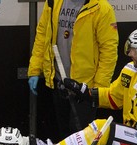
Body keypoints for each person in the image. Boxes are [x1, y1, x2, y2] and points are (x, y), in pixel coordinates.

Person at [27, 0, 118, 136]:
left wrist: (98, 90)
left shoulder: (101, 8)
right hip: (59, 82)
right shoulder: (53, 2)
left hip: (85, 88)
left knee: (81, 139)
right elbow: (42, 35)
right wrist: (34, 69)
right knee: (63, 135)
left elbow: (109, 50)